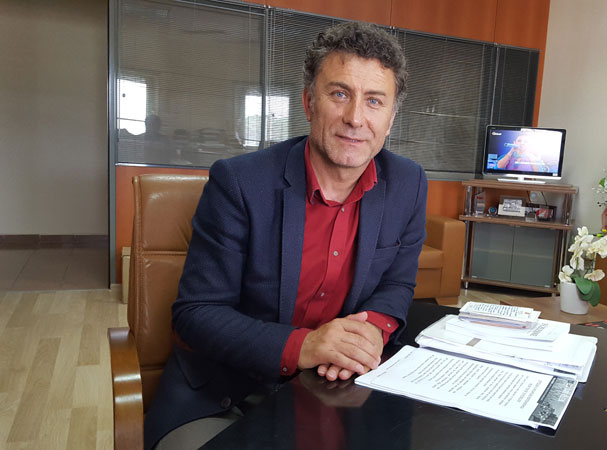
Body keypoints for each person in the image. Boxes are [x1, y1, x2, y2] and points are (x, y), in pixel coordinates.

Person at [144, 21, 427, 449]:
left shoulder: (408, 183)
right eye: (339, 94)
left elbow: (397, 284)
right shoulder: (239, 182)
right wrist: (305, 346)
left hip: (335, 390)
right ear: (309, 103)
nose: (355, 118)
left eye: (374, 101)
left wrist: (373, 330)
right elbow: (197, 313)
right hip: (226, 394)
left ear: (390, 119)